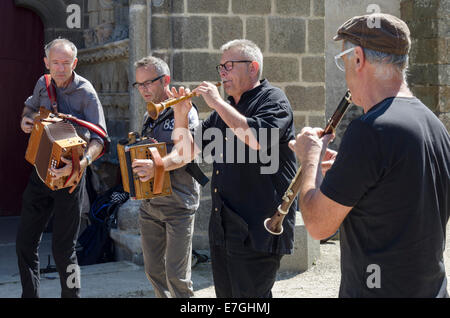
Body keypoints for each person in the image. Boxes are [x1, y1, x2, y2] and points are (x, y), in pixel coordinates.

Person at [289, 13, 450, 297]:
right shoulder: (434, 125)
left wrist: (310, 157)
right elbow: (399, 194)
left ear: (359, 58)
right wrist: (348, 172)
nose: (346, 73)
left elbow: (317, 225)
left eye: (344, 61)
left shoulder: (370, 129)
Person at [156, 39, 298, 297]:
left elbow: (257, 139)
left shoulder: (274, 100)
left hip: (259, 223)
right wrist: (180, 112)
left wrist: (218, 103)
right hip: (225, 224)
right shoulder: (227, 108)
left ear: (252, 68)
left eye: (229, 66)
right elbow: (187, 151)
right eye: (220, 67)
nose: (222, 73)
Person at [17, 38, 107, 298]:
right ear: (46, 63)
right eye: (55, 62)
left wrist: (81, 164)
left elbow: (99, 138)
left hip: (71, 178)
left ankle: (72, 296)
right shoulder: (43, 83)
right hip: (40, 174)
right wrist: (25, 119)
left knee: (64, 249)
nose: (60, 68)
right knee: (24, 243)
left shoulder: (86, 92)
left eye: (65, 63)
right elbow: (30, 107)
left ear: (75, 63)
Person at [130, 56, 201, 298]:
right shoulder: (148, 115)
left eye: (149, 83)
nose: (144, 90)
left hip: (178, 204)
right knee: (153, 272)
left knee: (177, 278)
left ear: (165, 80)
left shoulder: (185, 111)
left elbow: (185, 154)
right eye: (139, 85)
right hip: (150, 205)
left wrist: (157, 166)